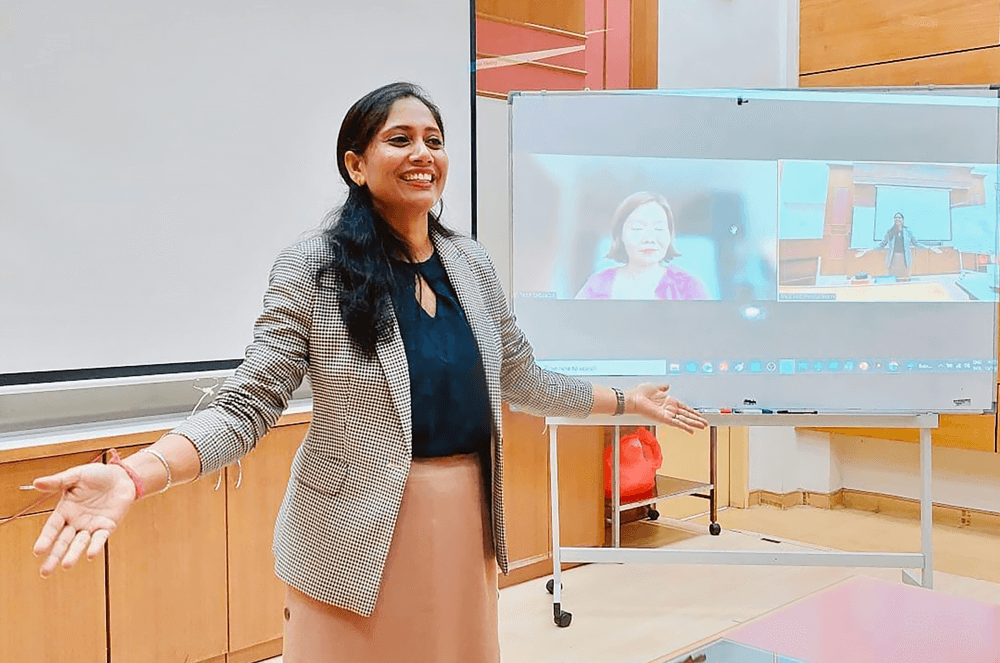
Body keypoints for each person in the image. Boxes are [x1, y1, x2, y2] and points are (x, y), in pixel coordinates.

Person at [27, 83, 708, 663]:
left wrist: (625, 396)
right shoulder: (313, 266)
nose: (423, 154)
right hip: (355, 533)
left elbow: (521, 375)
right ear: (356, 164)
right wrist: (136, 472)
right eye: (400, 139)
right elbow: (248, 401)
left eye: (434, 140)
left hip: (465, 520)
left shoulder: (469, 263)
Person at [576, 192, 710, 300]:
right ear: (620, 235)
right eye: (637, 228)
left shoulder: (688, 287)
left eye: (659, 229)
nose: (649, 239)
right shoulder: (598, 285)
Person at [856, 211, 941, 279]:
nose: (897, 219)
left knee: (905, 279)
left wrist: (930, 248)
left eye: (899, 217)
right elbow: (881, 245)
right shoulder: (890, 232)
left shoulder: (908, 231)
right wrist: (867, 250)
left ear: (903, 220)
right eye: (895, 218)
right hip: (893, 260)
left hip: (905, 259)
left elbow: (916, 244)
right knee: (893, 279)